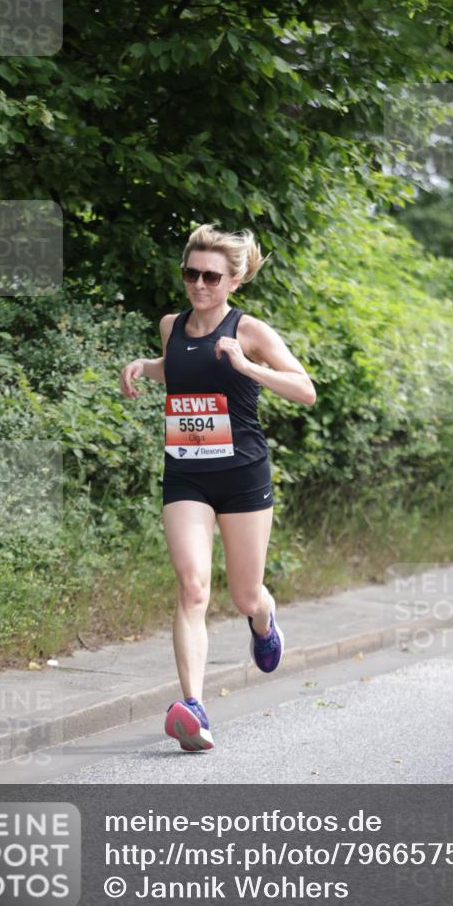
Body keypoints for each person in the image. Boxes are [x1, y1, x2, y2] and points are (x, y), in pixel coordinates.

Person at [119, 224, 316, 752]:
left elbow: (305, 390)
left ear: (233, 280)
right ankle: (194, 708)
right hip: (186, 474)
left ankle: (264, 619)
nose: (199, 285)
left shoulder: (249, 330)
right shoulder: (171, 325)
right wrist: (147, 366)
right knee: (192, 587)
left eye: (210, 276)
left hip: (243, 476)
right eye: (191, 273)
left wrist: (247, 365)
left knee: (244, 593)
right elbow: (181, 367)